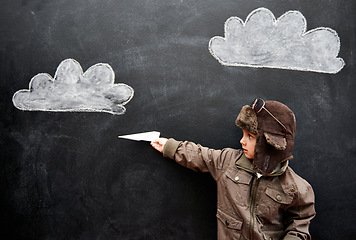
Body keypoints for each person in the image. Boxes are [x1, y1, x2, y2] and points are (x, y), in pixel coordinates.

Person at [151, 99, 316, 240]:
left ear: (270, 143)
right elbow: (200, 155)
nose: (242, 141)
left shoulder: (295, 187)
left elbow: (299, 223)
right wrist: (170, 146)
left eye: (250, 137)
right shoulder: (228, 161)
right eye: (243, 134)